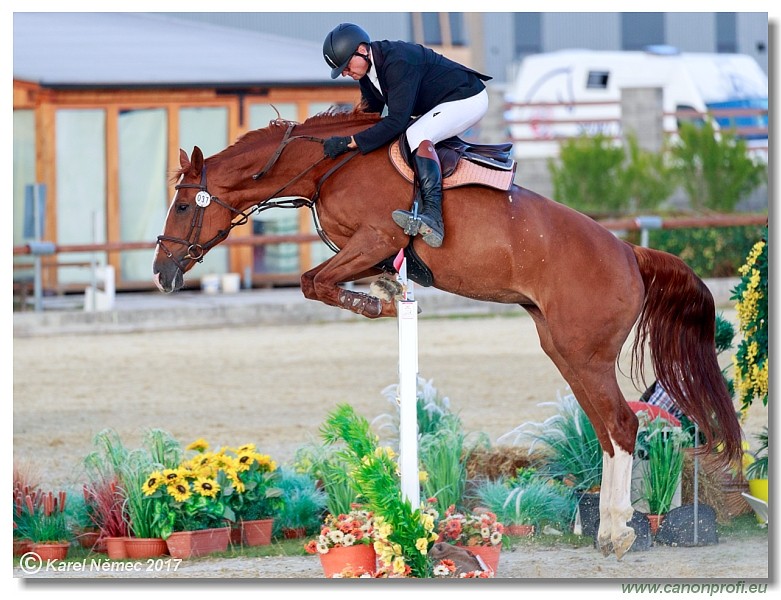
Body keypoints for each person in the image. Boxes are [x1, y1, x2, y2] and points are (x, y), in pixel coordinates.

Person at [321, 23, 492, 248]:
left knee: (415, 134)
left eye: (345, 65)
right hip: (443, 102)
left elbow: (397, 121)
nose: (344, 73)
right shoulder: (366, 75)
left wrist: (351, 142)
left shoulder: (397, 62)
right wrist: (346, 137)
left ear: (362, 49)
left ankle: (433, 215)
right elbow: (370, 118)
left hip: (468, 98)